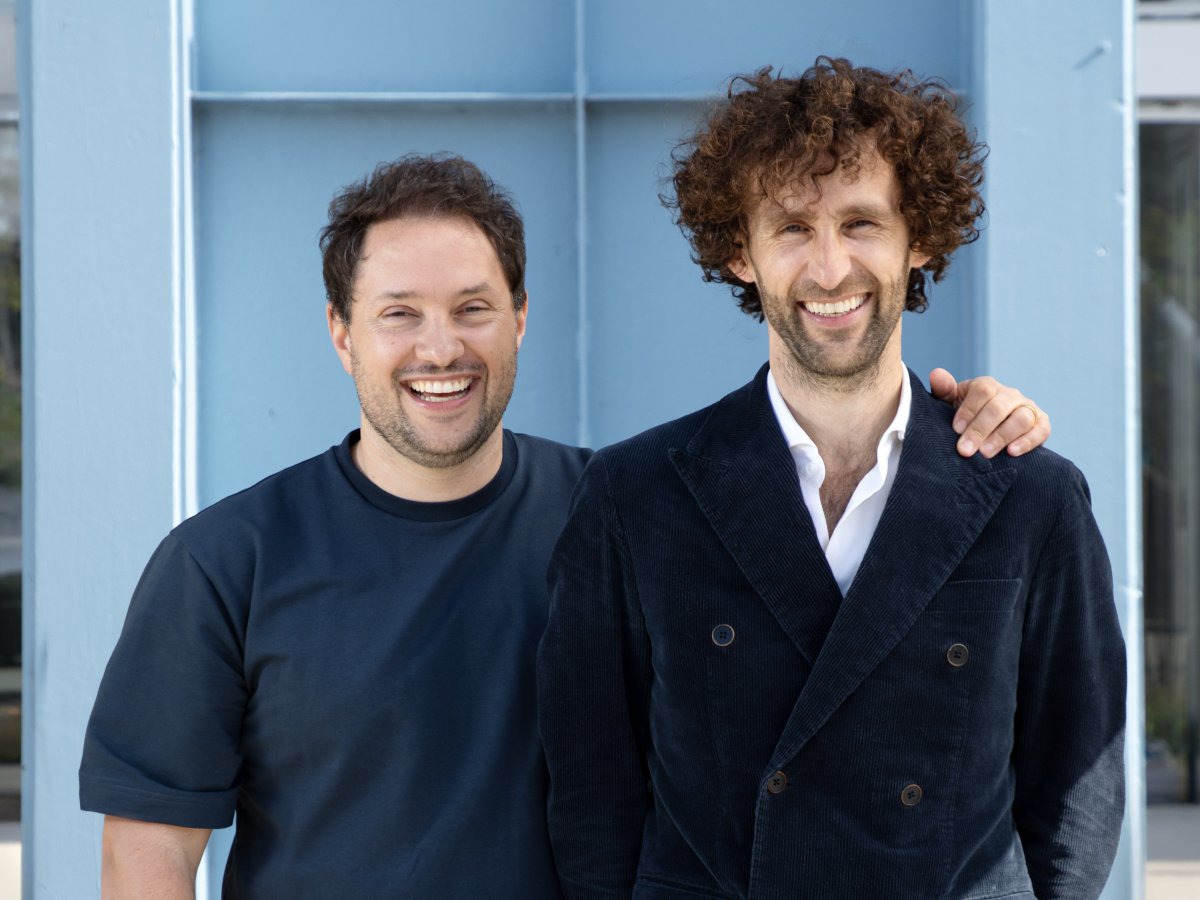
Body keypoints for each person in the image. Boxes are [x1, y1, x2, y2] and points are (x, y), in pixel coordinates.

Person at [79, 153, 1049, 899]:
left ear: (522, 318)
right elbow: (147, 861)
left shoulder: (639, 515)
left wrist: (952, 439)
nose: (440, 347)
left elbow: (834, 679)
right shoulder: (223, 565)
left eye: (473, 309)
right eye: (398, 315)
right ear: (341, 333)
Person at [537, 59, 1125, 900]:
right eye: (791, 229)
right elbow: (593, 792)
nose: (828, 268)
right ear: (740, 254)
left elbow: (1077, 787)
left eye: (860, 223)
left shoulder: (1030, 498)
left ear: (918, 237)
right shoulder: (635, 496)